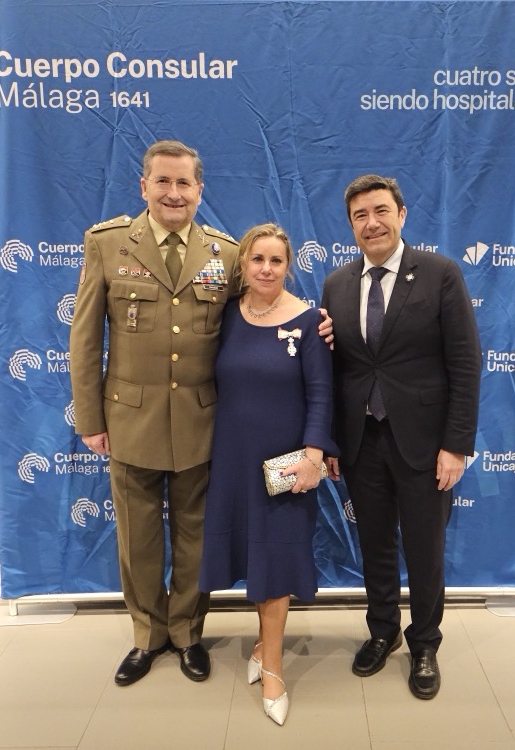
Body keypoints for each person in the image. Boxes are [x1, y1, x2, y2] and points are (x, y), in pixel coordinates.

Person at [69, 139, 240, 686]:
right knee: (138, 538)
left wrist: (309, 327)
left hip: (201, 419)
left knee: (195, 536)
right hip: (130, 419)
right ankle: (147, 635)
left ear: (199, 190)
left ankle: (187, 633)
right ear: (144, 186)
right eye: (162, 181)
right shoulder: (108, 244)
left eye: (183, 183)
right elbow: (84, 338)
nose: (173, 193)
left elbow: (253, 325)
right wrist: (91, 419)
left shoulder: (227, 254)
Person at [320, 175, 481, 700]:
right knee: (375, 545)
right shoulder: (337, 284)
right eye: (360, 216)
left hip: (426, 444)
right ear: (351, 225)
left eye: (380, 211)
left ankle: (425, 643)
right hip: (362, 441)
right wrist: (332, 441)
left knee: (425, 549)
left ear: (402, 214)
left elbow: (465, 363)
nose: (372, 223)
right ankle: (383, 630)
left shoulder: (439, 274)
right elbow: (337, 370)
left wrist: (456, 445)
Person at [199, 223, 337, 725]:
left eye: (276, 260)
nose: (266, 268)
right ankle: (262, 643)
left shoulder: (310, 321)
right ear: (243, 263)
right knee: (252, 555)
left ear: (289, 266)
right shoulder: (224, 315)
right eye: (257, 259)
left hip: (284, 466)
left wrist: (314, 456)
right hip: (232, 459)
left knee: (276, 561)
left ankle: (274, 666)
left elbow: (321, 393)